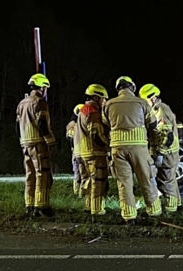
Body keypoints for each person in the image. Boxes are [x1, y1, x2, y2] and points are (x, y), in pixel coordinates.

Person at [103, 76, 162, 223]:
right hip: (139, 147)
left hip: (117, 148)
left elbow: (105, 125)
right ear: (132, 87)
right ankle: (154, 212)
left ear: (118, 89)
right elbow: (153, 126)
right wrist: (156, 146)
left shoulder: (109, 104)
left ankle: (129, 216)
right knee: (147, 179)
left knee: (124, 183)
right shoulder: (141, 103)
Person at [16, 73, 55, 217]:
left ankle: (29, 205)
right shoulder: (40, 103)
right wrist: (51, 142)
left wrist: (22, 141)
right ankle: (42, 206)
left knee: (30, 174)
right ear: (42, 87)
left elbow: (17, 126)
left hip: (25, 144)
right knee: (42, 174)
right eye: (45, 88)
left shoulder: (21, 103)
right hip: (38, 143)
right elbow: (42, 124)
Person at [140, 84, 181, 214]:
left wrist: (160, 153)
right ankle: (177, 205)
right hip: (165, 152)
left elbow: (167, 136)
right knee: (169, 180)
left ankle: (171, 210)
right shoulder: (157, 110)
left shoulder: (161, 111)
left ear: (152, 98)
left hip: (167, 153)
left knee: (167, 181)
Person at [77, 84, 110, 216]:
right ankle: (97, 209)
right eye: (104, 99)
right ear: (96, 97)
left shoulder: (83, 109)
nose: (105, 102)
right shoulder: (93, 112)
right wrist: (108, 145)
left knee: (91, 180)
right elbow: (96, 134)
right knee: (99, 180)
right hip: (95, 152)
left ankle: (88, 205)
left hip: (85, 151)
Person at [66, 104, 85, 197]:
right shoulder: (73, 125)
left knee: (80, 174)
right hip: (79, 151)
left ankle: (80, 193)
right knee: (79, 174)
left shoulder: (74, 124)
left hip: (78, 152)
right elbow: (71, 138)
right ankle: (79, 193)